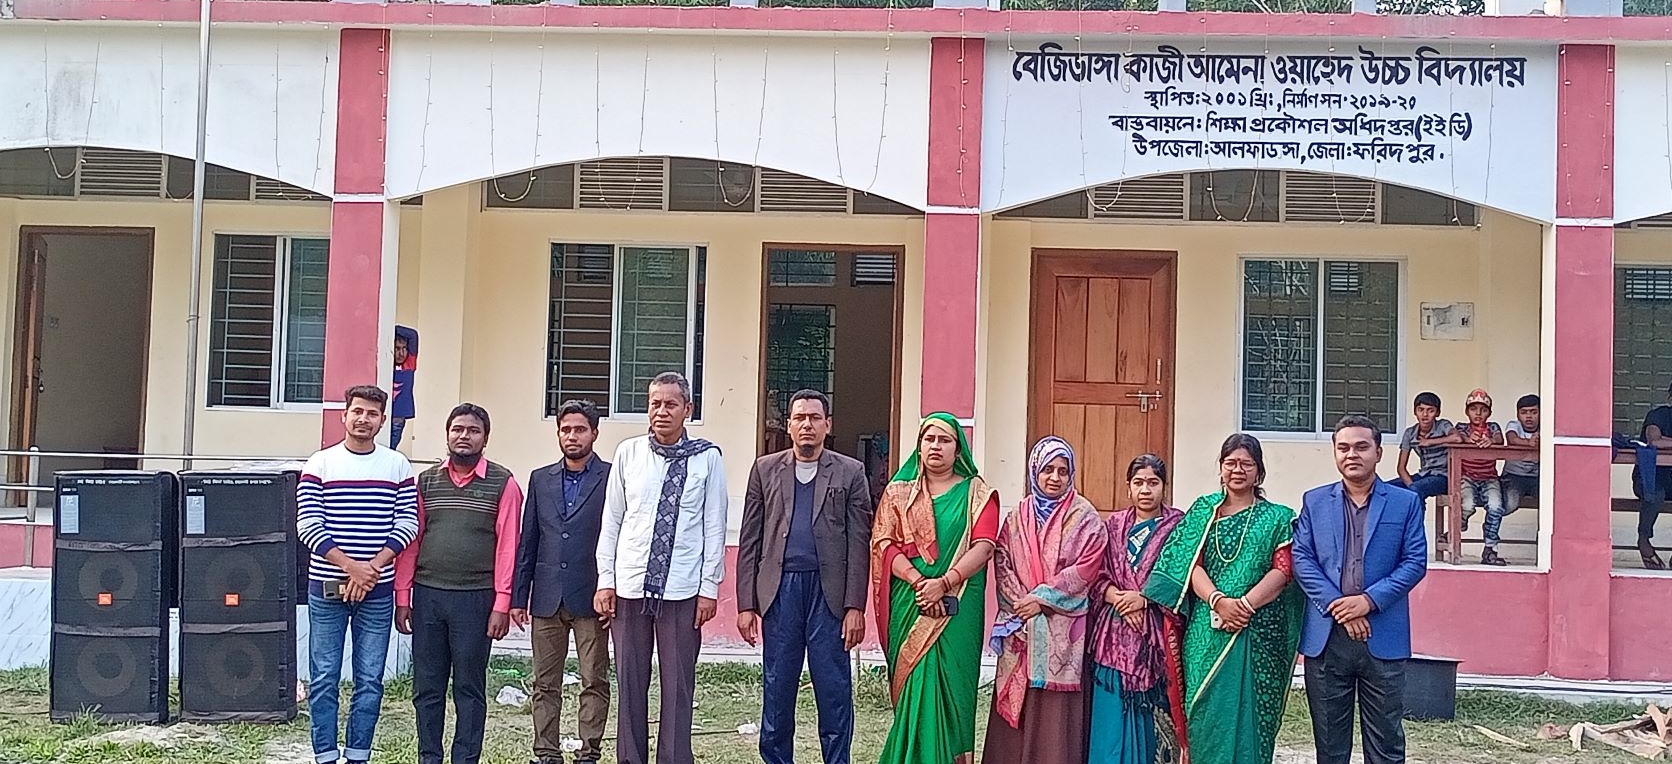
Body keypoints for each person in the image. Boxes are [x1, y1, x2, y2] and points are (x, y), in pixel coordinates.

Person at [1142, 433, 1302, 764]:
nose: (1237, 470)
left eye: (1246, 464)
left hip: (1257, 631)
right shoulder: (1203, 511)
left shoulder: (1278, 517)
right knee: (1205, 715)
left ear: (1259, 471)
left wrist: (1245, 605)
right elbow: (1189, 564)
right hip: (1207, 630)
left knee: (1251, 721)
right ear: (1220, 467)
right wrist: (1219, 601)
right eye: (1230, 463)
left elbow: (1284, 570)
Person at [736, 389, 875, 764]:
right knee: (778, 686)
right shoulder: (765, 470)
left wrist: (854, 606)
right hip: (780, 593)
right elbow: (750, 539)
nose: (807, 425)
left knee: (833, 688)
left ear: (828, 425)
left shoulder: (850, 472)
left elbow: (859, 542)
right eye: (800, 418)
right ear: (789, 425)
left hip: (829, 596)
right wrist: (746, 604)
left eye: (815, 418)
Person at [595, 371, 728, 764]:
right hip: (630, 587)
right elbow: (612, 520)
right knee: (630, 684)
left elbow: (714, 526)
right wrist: (606, 581)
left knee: (678, 686)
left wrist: (708, 588)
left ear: (688, 409)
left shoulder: (707, 458)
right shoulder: (628, 453)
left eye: (671, 404)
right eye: (655, 403)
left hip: (682, 590)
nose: (661, 411)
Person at [1293, 415, 1429, 764]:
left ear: (1378, 453)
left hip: (1383, 635)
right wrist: (1340, 606)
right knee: (1330, 747)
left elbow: (1414, 562)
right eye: (1343, 448)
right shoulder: (1315, 501)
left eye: (1361, 447)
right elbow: (1302, 559)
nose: (1351, 454)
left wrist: (1368, 602)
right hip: (1327, 638)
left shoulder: (1405, 502)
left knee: (1386, 746)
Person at [393, 404, 524, 764]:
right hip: (429, 597)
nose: (464, 436)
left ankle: (465, 759)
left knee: (469, 688)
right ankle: (429, 757)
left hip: (475, 600)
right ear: (447, 434)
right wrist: (403, 596)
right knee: (427, 688)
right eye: (458, 429)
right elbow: (412, 541)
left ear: (486, 438)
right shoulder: (426, 482)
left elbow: (508, 547)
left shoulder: (503, 483)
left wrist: (502, 603)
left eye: (473, 430)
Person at [296, 385, 418, 764]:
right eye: (358, 411)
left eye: (372, 414)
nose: (364, 419)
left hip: (377, 592)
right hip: (327, 588)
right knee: (324, 677)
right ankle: (325, 755)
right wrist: (353, 569)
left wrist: (372, 570)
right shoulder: (320, 464)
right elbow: (308, 526)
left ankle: (358, 755)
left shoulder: (397, 465)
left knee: (369, 680)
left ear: (383, 421)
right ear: (344, 415)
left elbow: (408, 523)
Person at [871, 413, 999, 764]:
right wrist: (919, 582)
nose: (936, 446)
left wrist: (944, 583)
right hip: (910, 603)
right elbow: (883, 545)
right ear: (919, 446)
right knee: (915, 684)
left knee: (955, 687)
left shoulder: (977, 493)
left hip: (958, 607)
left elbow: (984, 546)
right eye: (929, 439)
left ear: (958, 449)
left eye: (945, 440)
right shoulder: (898, 493)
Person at [982, 436, 1107, 764]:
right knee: (1018, 708)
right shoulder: (1017, 517)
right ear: (1034, 472)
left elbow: (1087, 568)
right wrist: (1021, 605)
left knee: (1055, 718)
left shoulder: (1086, 518)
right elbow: (1002, 561)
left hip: (1063, 631)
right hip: (1020, 624)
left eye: (1062, 471)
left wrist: (1041, 600)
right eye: (1047, 470)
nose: (1055, 477)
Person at [512, 399, 613, 764]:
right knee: (544, 682)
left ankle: (588, 753)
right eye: (565, 430)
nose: (572, 436)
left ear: (594, 433)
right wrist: (518, 597)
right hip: (547, 595)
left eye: (580, 429)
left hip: (592, 596)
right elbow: (529, 539)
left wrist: (612, 588)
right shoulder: (541, 478)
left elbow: (618, 535)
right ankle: (546, 753)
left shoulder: (612, 477)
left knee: (594, 680)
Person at [1089, 454, 1188, 764]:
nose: (1146, 490)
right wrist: (1116, 597)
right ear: (1128, 487)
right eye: (1139, 483)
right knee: (1110, 720)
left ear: (1164, 487)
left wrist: (1144, 599)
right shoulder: (1113, 526)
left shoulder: (1178, 527)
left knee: (1149, 721)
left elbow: (1181, 576)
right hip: (1112, 638)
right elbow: (1096, 573)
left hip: (1154, 638)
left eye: (1153, 483)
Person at [1450, 389, 1506, 564]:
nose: (1478, 413)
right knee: (1466, 505)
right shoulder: (1462, 427)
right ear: (1467, 411)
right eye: (1473, 409)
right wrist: (1468, 439)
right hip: (1467, 476)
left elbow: (1500, 438)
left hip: (1489, 477)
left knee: (1496, 507)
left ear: (1489, 413)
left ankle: (1490, 548)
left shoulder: (1493, 427)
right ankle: (1457, 528)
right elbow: (1457, 436)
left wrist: (1491, 441)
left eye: (1483, 410)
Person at [1634, 381, 1672, 570]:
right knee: (1655, 495)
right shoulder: (1658, 415)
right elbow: (1654, 441)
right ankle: (1643, 540)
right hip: (1648, 478)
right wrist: (1662, 441)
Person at [1498, 394, 1541, 556]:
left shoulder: (1547, 427)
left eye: (1533, 412)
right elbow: (1512, 439)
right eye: (1524, 412)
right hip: (1514, 476)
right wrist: (1529, 443)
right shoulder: (1514, 425)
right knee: (1510, 504)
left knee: (1551, 505)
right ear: (1518, 414)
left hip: (1538, 477)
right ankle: (1491, 526)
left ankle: (1546, 544)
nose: (1529, 416)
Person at [1396, 392, 1453, 503]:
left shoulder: (1443, 425)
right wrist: (1410, 486)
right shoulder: (1410, 433)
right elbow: (1401, 468)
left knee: (1416, 489)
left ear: (1437, 413)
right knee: (1385, 489)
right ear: (1415, 412)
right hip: (1423, 475)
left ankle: (1417, 515)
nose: (1425, 414)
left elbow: (1457, 438)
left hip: (1443, 477)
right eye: (1420, 410)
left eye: (1430, 410)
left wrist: (1430, 442)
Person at [391, 325, 418, 449]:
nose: (401, 353)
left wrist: (391, 327)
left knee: (392, 446)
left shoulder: (409, 365)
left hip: (399, 415)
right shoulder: (385, 364)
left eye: (404, 349)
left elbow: (412, 335)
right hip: (383, 414)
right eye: (397, 348)